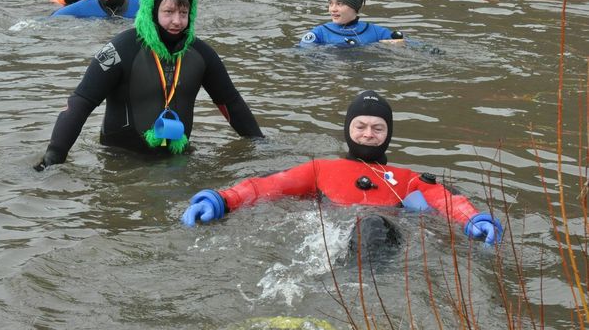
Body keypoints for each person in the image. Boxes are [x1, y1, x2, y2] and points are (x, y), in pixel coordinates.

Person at [181, 90, 503, 247]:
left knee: (375, 226)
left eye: (378, 128)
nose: (368, 134)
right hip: (324, 242)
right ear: (348, 129)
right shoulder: (321, 170)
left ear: (388, 134)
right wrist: (221, 200)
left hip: (385, 242)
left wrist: (474, 220)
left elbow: (447, 200)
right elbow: (266, 187)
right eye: (360, 126)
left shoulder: (407, 180)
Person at [35, 0, 263, 170]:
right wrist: (53, 157)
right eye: (169, 11)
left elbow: (231, 102)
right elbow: (81, 103)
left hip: (177, 159)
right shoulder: (121, 49)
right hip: (121, 163)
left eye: (184, 13)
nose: (177, 21)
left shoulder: (200, 54)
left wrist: (261, 146)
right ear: (152, 11)